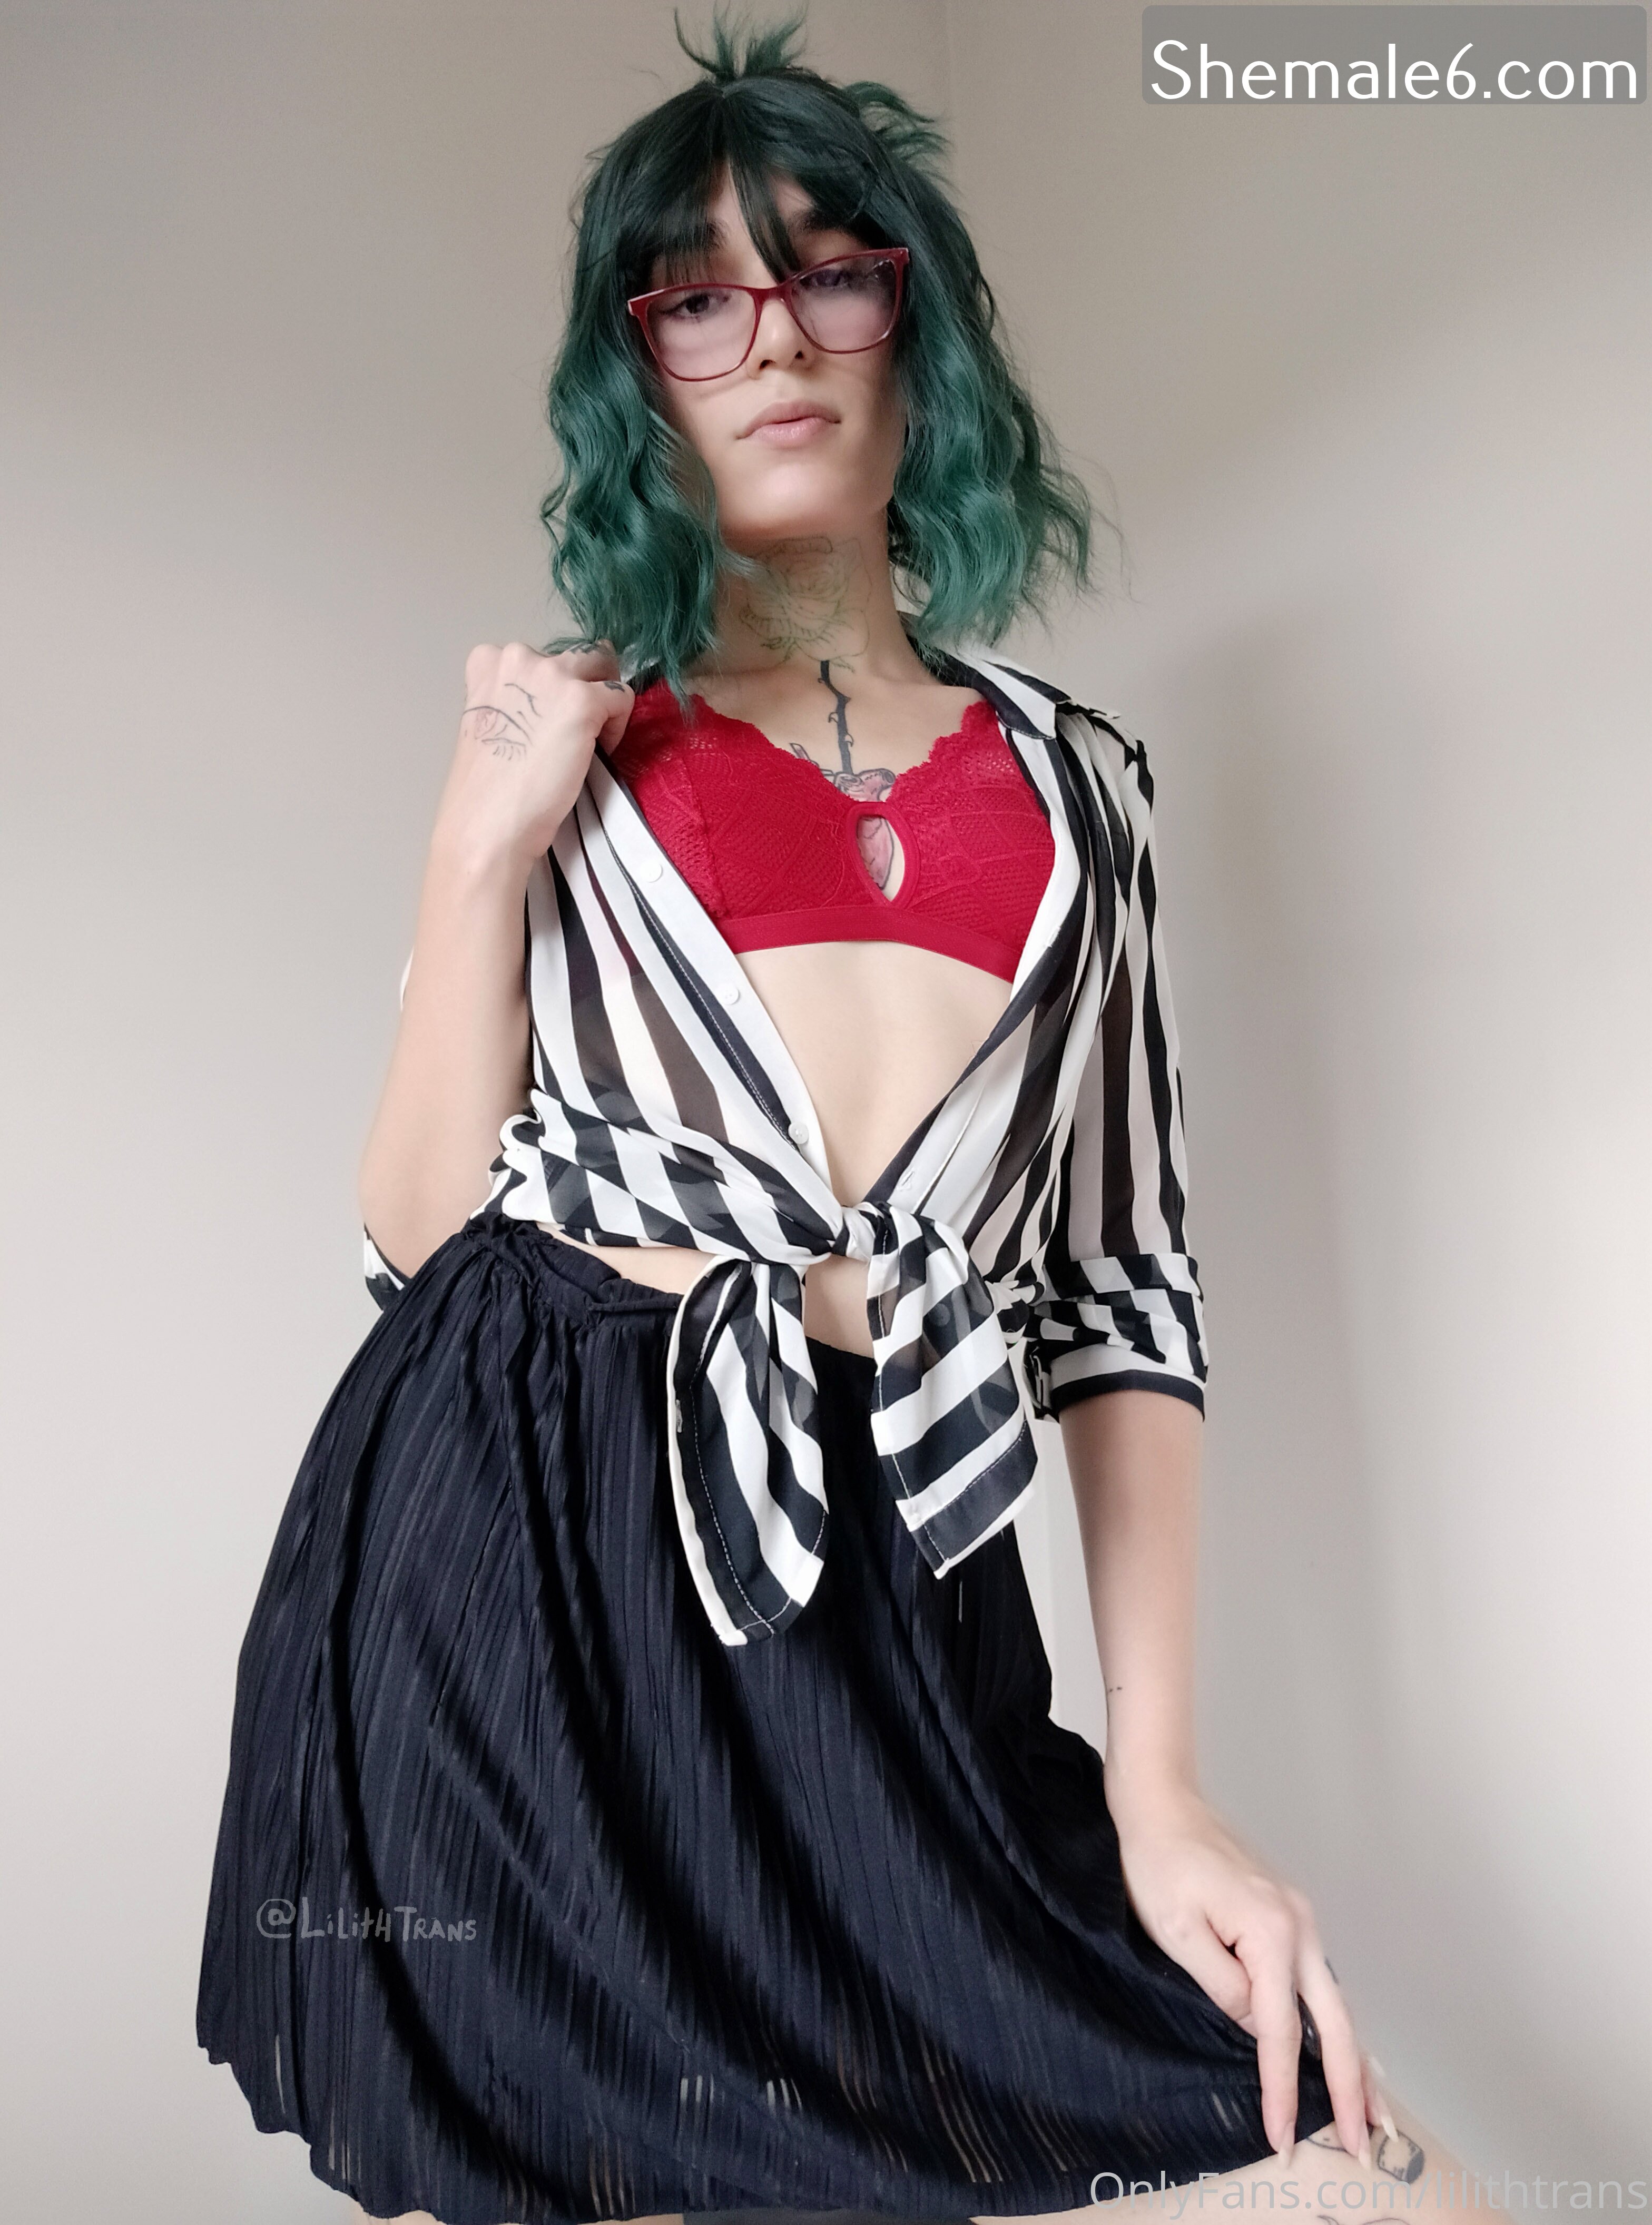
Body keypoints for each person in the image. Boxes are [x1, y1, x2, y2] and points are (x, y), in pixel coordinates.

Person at [196, 17, 1500, 2225]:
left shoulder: (1079, 784)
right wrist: (474, 849)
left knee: (1360, 2184)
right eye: (696, 301)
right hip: (537, 1576)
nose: (776, 338)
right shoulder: (576, 752)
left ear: (918, 327)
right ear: (641, 377)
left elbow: (1116, 1289)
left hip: (902, 1588)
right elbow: (416, 1244)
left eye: (827, 274)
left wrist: (1161, 1788)